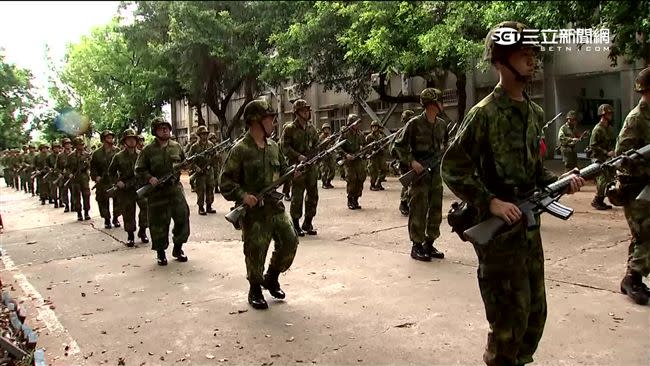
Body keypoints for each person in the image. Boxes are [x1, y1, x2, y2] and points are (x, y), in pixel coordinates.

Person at [441, 21, 584, 366]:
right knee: (507, 326)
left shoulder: (533, 113)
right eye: (523, 54)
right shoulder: (484, 114)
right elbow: (453, 168)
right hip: (500, 237)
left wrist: (563, 180)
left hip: (528, 232)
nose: (531, 60)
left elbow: (535, 174)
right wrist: (490, 201)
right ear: (501, 61)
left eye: (533, 53)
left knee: (534, 318)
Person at [220, 99, 299, 310]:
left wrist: (293, 172)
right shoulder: (240, 150)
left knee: (290, 241)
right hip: (254, 212)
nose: (273, 123)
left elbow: (283, 171)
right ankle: (255, 288)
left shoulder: (274, 147)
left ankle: (271, 277)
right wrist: (243, 196)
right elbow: (225, 182)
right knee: (255, 250)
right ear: (256, 121)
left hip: (274, 205)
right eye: (269, 118)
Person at [393, 89, 448, 261]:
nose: (443, 104)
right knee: (418, 208)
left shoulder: (441, 125)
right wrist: (411, 162)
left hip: (435, 173)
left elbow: (444, 146)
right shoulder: (414, 124)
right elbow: (397, 146)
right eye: (440, 101)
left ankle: (429, 243)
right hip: (420, 173)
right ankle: (416, 245)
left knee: (436, 208)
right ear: (432, 103)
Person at [615, 66, 650, 305]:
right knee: (647, 233)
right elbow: (621, 157)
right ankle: (632, 279)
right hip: (637, 188)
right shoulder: (636, 119)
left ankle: (632, 277)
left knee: (642, 235)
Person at [135, 118, 190, 265]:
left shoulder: (176, 146)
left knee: (182, 218)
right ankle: (160, 252)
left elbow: (185, 162)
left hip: (175, 190)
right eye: (161, 128)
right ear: (155, 131)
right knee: (158, 223)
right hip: (157, 193)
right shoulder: (148, 150)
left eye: (166, 127)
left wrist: (186, 165)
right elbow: (139, 169)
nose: (164, 130)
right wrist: (149, 178)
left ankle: (178, 248)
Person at [281, 99, 320, 236]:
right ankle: (296, 224)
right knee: (297, 196)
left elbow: (317, 145)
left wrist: (316, 155)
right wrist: (298, 156)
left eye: (307, 110)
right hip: (297, 167)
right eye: (304, 110)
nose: (307, 112)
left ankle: (308, 222)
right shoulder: (290, 128)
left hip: (311, 167)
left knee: (313, 195)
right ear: (297, 113)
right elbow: (284, 147)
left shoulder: (311, 129)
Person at [109, 129, 149, 247]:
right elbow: (111, 172)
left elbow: (148, 169)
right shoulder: (118, 156)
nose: (131, 141)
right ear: (124, 141)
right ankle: (130, 235)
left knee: (145, 208)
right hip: (126, 189)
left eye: (133, 139)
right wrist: (117, 182)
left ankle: (143, 231)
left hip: (140, 186)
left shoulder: (142, 154)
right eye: (128, 139)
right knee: (128, 212)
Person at [91, 130, 121, 228]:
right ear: (103, 140)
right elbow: (93, 168)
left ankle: (116, 218)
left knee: (118, 200)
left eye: (111, 137)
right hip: (103, 181)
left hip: (114, 180)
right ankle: (107, 219)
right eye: (108, 138)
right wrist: (96, 177)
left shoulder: (117, 151)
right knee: (102, 200)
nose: (111, 139)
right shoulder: (97, 153)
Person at [589, 104, 617, 210]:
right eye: (608, 113)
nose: (610, 115)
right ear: (602, 114)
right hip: (598, 158)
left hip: (607, 159)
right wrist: (606, 152)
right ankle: (596, 201)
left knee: (609, 179)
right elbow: (593, 145)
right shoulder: (598, 129)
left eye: (611, 113)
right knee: (602, 180)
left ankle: (600, 200)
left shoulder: (609, 128)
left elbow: (613, 141)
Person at [339, 114, 367, 210]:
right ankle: (350, 199)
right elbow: (337, 147)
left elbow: (364, 145)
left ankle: (356, 199)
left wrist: (364, 151)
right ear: (350, 123)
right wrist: (346, 155)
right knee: (352, 179)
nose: (357, 125)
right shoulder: (345, 134)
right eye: (355, 123)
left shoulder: (360, 134)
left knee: (361, 178)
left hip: (358, 159)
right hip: (349, 160)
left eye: (358, 123)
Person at [188, 126, 216, 215]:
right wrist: (196, 167)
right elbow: (189, 159)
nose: (205, 136)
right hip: (200, 171)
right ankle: (201, 207)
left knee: (210, 187)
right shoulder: (194, 147)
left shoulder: (211, 145)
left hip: (209, 170)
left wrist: (215, 157)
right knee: (201, 190)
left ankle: (209, 206)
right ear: (199, 135)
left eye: (206, 134)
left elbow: (215, 157)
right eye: (203, 134)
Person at [394, 110, 415, 216]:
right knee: (407, 183)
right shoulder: (401, 132)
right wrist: (404, 159)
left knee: (414, 183)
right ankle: (403, 203)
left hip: (415, 161)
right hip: (405, 162)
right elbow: (394, 149)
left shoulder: (416, 131)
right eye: (409, 120)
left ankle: (410, 203)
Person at [67, 137, 92, 221]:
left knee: (86, 195)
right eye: (79, 145)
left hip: (84, 177)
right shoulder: (71, 156)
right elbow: (67, 168)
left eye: (82, 145)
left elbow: (90, 166)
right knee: (76, 196)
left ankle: (86, 212)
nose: (81, 146)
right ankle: (79, 213)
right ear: (75, 146)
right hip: (75, 179)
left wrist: (87, 165)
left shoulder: (87, 155)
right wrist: (69, 174)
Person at [366, 120, 389, 191]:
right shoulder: (369, 137)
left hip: (380, 155)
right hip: (373, 156)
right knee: (373, 171)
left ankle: (378, 183)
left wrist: (383, 147)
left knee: (384, 169)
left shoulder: (381, 136)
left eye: (376, 126)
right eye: (373, 127)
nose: (374, 128)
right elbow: (366, 147)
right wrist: (371, 150)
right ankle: (372, 185)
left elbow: (386, 144)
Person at [318, 123, 336, 189]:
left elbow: (334, 144)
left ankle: (328, 181)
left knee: (332, 169)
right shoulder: (320, 137)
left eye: (328, 129)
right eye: (325, 129)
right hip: (323, 155)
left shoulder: (331, 136)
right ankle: (324, 183)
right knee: (324, 170)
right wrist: (326, 141)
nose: (326, 130)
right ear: (323, 130)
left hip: (330, 155)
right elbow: (319, 146)